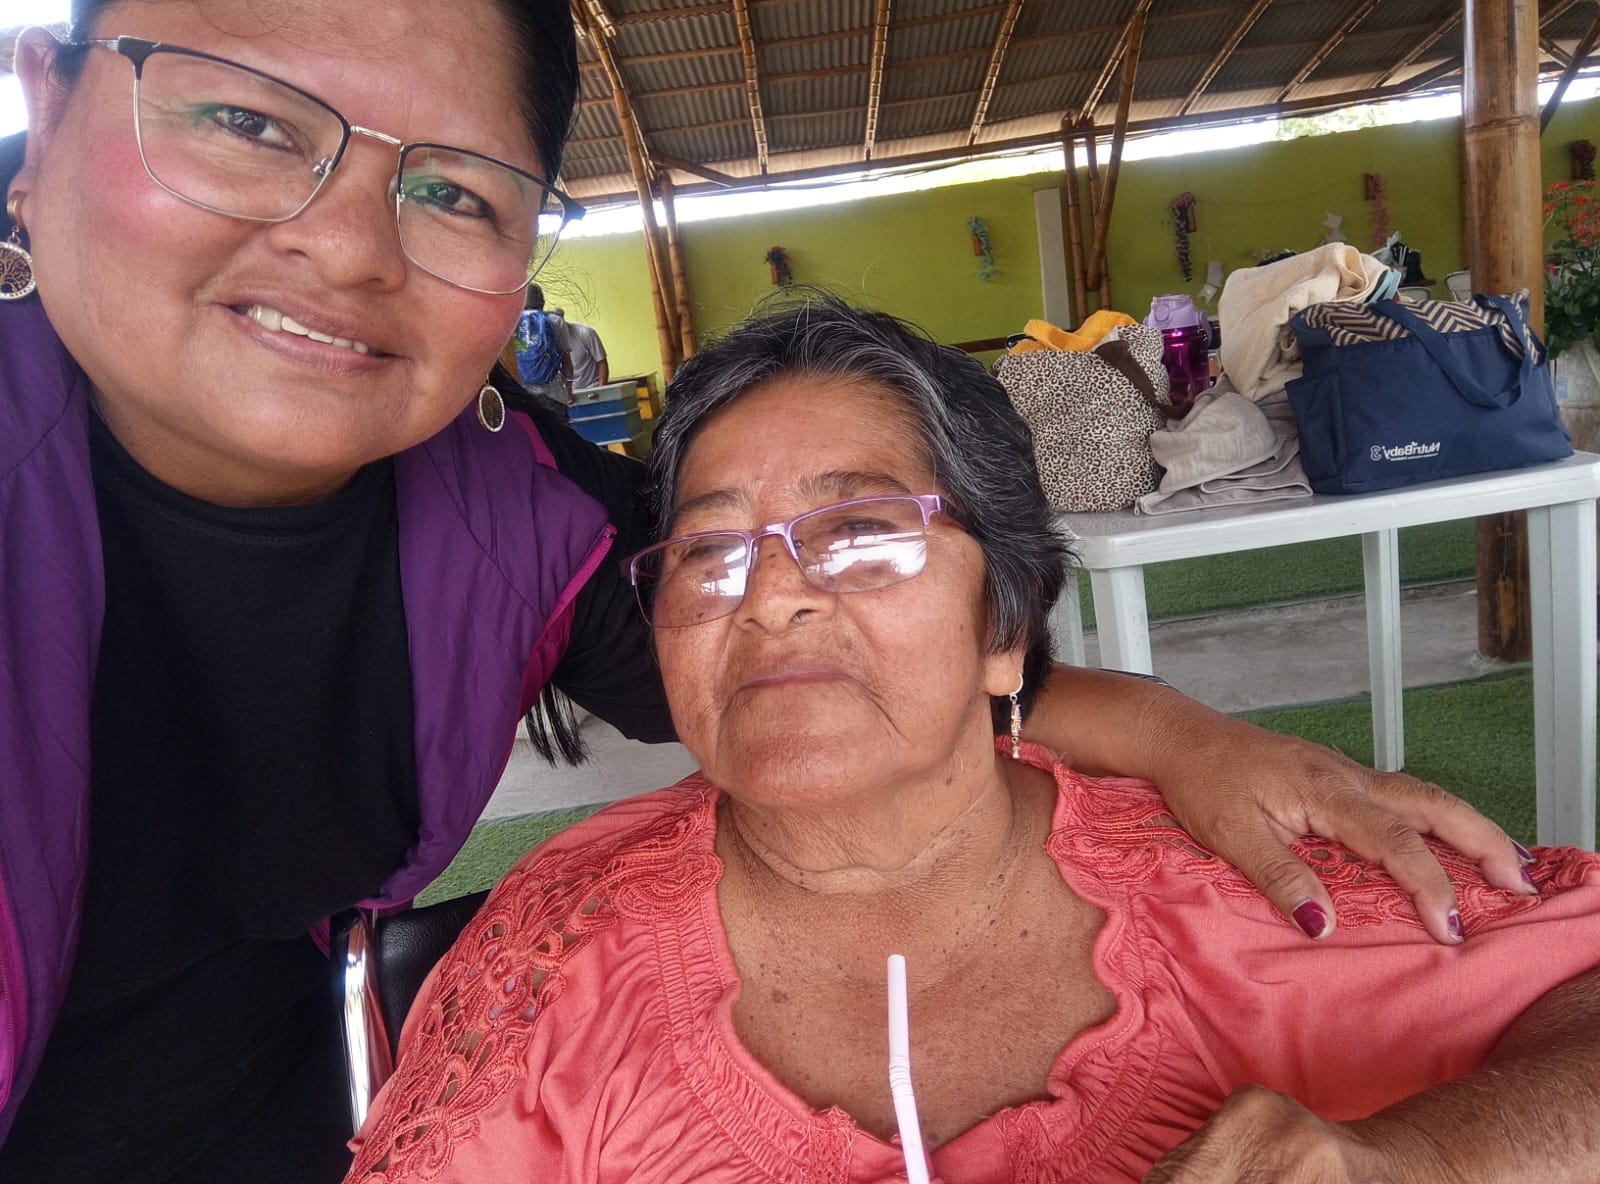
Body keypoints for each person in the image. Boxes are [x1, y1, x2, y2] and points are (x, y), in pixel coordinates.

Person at [0, 0, 1529, 1177]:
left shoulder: (515, 512)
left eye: (455, 191)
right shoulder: (556, 989)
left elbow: (822, 664)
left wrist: (1192, 739)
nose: (345, 246)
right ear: (47, 104)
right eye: (248, 121)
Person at [347, 297, 1600, 1184]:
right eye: (712, 552)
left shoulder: (1245, 878)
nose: (770, 597)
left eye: (861, 532)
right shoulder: (555, 959)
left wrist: (1414, 1158)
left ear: (1005, 624)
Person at [517, 282, 575, 406]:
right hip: (553, 390)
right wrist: (569, 392)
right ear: (542, 303)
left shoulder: (513, 323)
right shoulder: (556, 321)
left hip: (523, 392)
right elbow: (566, 362)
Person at [562, 312, 610, 393]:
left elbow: (602, 362)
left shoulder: (586, 332)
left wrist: (601, 391)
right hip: (569, 392)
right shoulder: (547, 340)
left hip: (593, 388)